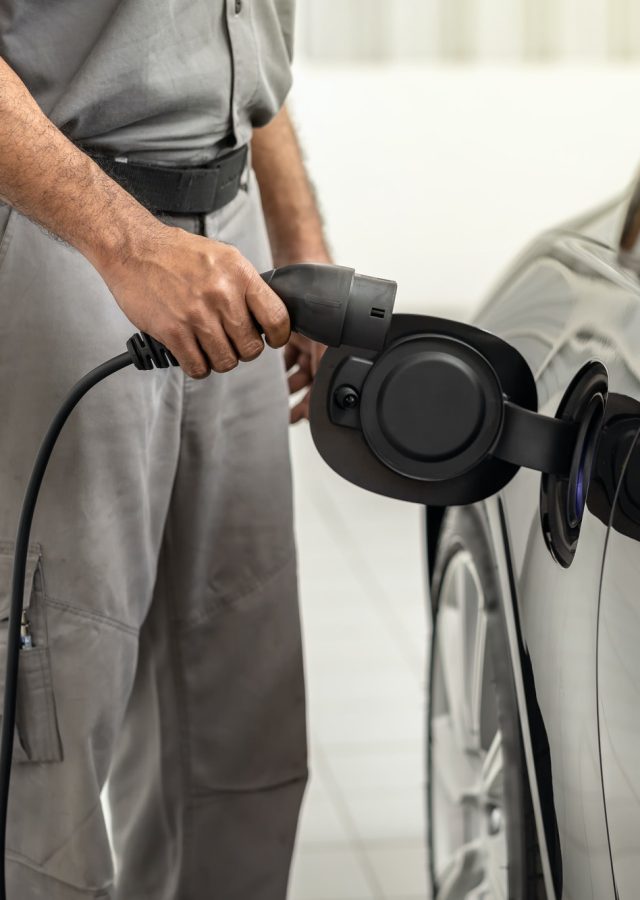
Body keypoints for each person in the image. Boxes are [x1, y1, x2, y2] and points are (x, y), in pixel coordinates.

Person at [0, 2, 326, 897]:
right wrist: (128, 243)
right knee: (50, 724)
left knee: (236, 708)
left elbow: (240, 49)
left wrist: (300, 240)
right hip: (54, 231)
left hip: (234, 236)